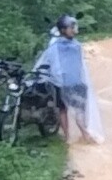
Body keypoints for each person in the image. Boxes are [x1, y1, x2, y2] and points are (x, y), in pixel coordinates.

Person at [31, 15, 106, 143]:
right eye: (71, 27)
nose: (74, 30)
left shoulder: (58, 46)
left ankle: (74, 136)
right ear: (63, 30)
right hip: (70, 83)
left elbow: (51, 64)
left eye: (73, 27)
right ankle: (80, 135)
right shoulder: (73, 46)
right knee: (73, 110)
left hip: (67, 83)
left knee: (66, 110)